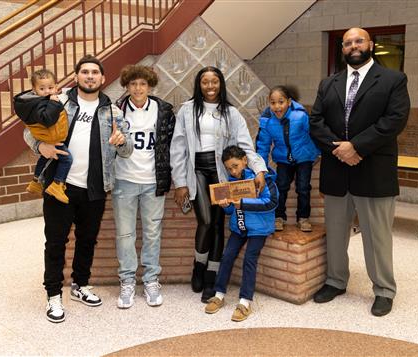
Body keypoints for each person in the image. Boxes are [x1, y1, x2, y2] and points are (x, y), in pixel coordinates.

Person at [24, 55, 133, 323]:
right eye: (84, 71)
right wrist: (42, 147)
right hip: (59, 186)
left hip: (95, 187)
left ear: (103, 78)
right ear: (76, 77)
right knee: (56, 242)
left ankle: (80, 286)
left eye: (95, 72)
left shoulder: (113, 111)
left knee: (87, 239)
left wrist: (121, 142)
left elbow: (128, 149)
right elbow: (30, 132)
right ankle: (53, 296)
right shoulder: (58, 102)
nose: (90, 76)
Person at [309, 27, 410, 316]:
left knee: (377, 236)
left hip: (374, 171)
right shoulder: (328, 84)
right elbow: (316, 121)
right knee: (336, 234)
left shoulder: (393, 79)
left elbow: (394, 120)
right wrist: (340, 149)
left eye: (359, 41)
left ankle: (383, 290)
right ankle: (336, 280)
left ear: (371, 45)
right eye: (348, 43)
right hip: (336, 170)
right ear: (342, 49)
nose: (353, 46)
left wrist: (357, 147)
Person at [170, 66, 267, 303]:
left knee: (218, 222)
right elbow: (178, 147)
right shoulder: (187, 110)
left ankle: (212, 276)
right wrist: (180, 182)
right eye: (205, 82)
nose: (210, 86)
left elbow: (244, 145)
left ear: (221, 84)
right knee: (205, 221)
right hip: (197, 171)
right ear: (198, 84)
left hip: (221, 172)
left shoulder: (231, 113)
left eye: (215, 82)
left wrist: (259, 168)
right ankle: (199, 266)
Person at [113, 65, 175, 309]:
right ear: (127, 86)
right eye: (133, 84)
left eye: (142, 84)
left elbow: (172, 144)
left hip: (153, 181)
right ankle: (127, 280)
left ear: (150, 86)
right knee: (125, 234)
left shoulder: (164, 110)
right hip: (124, 180)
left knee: (151, 232)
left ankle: (150, 280)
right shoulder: (115, 110)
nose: (138, 88)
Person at [204, 145, 278, 322]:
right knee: (227, 256)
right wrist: (226, 206)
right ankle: (219, 295)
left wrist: (242, 203)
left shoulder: (263, 179)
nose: (233, 171)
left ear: (245, 161)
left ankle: (245, 302)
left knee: (249, 260)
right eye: (229, 168)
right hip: (239, 227)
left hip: (258, 230)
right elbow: (231, 210)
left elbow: (272, 203)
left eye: (235, 166)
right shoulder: (230, 182)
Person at [256, 85, 320, 232]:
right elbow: (263, 145)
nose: (277, 106)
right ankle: (279, 217)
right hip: (283, 159)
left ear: (289, 102)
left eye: (281, 101)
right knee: (281, 187)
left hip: (304, 157)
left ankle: (303, 218)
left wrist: (317, 152)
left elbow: (314, 134)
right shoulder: (266, 121)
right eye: (273, 102)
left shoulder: (301, 116)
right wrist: (260, 167)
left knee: (303, 188)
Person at [14, 69, 72, 204]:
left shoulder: (36, 101)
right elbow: (47, 119)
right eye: (42, 88)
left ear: (56, 87)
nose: (47, 91)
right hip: (51, 139)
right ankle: (57, 184)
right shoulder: (41, 103)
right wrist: (53, 103)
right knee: (67, 159)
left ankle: (35, 181)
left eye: (50, 87)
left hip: (50, 138)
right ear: (34, 90)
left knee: (44, 158)